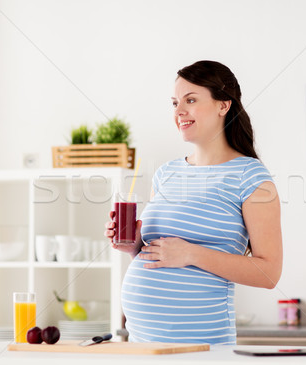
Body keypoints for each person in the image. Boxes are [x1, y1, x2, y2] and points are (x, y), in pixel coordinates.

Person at [104, 60, 282, 345]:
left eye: (190, 100)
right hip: (142, 345)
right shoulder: (166, 173)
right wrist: (133, 246)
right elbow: (160, 256)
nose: (179, 112)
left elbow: (269, 272)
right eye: (175, 102)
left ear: (223, 105)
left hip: (202, 347)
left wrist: (192, 254)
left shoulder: (250, 176)